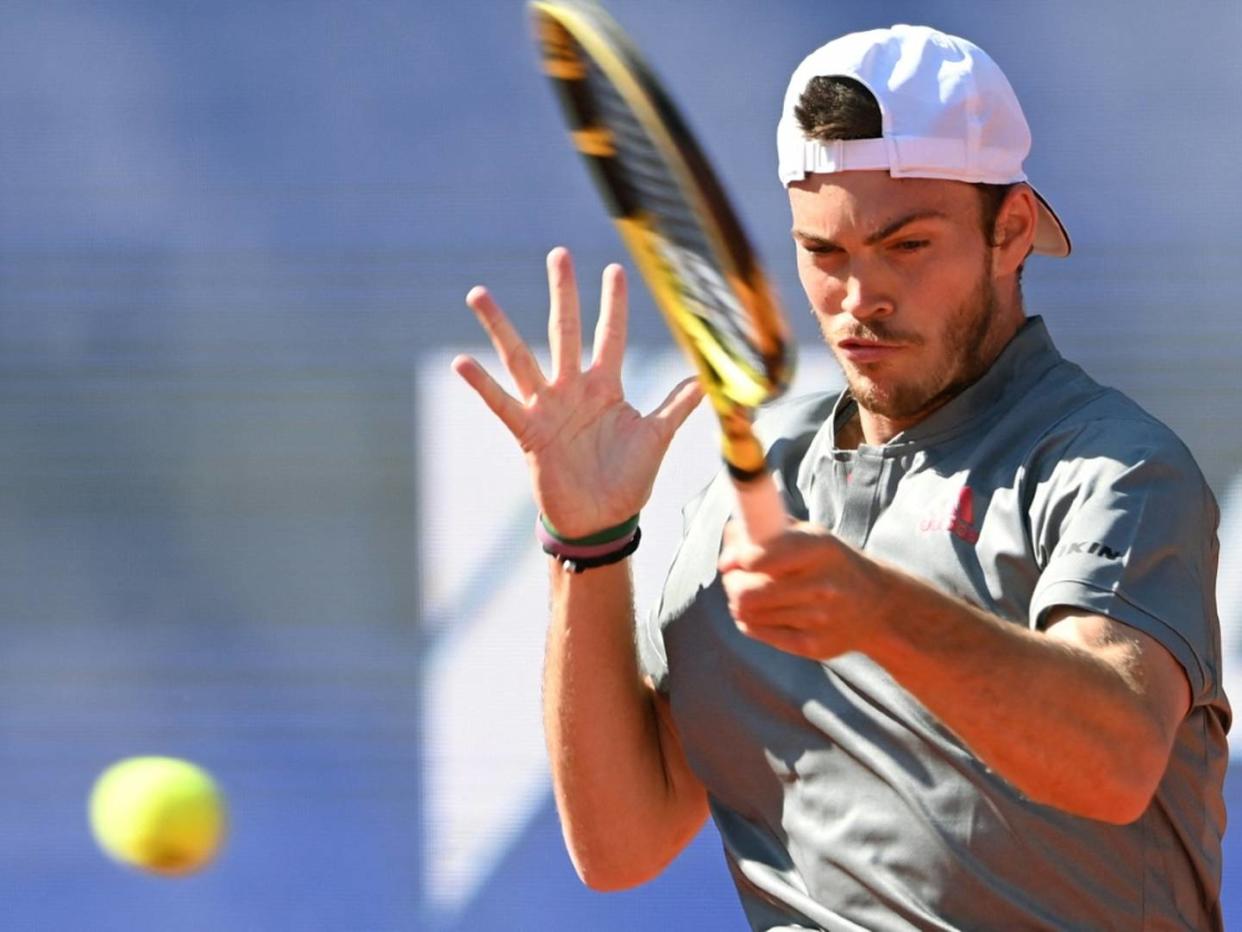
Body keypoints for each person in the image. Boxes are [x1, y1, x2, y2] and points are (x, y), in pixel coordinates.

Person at [453, 24, 1230, 931]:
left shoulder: (1113, 466)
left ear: (1010, 231)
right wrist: (586, 542)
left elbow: (1114, 761)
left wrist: (879, 609)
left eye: (907, 246)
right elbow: (622, 845)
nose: (861, 300)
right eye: (825, 255)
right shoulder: (754, 488)